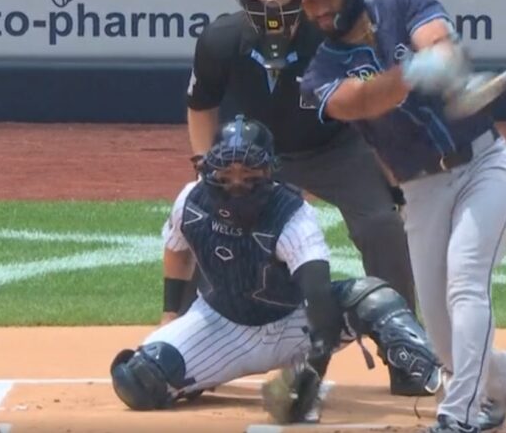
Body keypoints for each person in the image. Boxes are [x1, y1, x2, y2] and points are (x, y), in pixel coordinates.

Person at [290, 0, 506, 433]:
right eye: (309, 2)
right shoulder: (319, 71)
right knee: (442, 340)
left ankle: (458, 416)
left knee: (466, 281)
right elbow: (358, 102)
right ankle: (504, 375)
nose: (318, 10)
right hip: (421, 191)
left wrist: (443, 64)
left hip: (487, 167)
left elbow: (438, 41)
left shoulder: (402, 1)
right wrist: (415, 74)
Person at [180, 0, 427, 397]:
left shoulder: (332, 35)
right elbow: (200, 104)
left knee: (382, 227)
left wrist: (394, 176)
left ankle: (405, 351)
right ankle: (193, 346)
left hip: (337, 147)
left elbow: (372, 106)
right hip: (257, 158)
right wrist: (203, 169)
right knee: (211, 222)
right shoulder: (220, 39)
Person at [109, 115, 442, 424]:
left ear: (270, 172)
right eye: (227, 174)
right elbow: (178, 253)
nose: (236, 184)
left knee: (375, 300)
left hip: (296, 324)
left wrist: (311, 374)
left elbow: (319, 299)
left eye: (249, 175)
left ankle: (442, 377)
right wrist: (170, 313)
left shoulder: (293, 216)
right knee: (138, 381)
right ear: (210, 169)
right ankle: (194, 375)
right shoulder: (191, 202)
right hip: (220, 326)